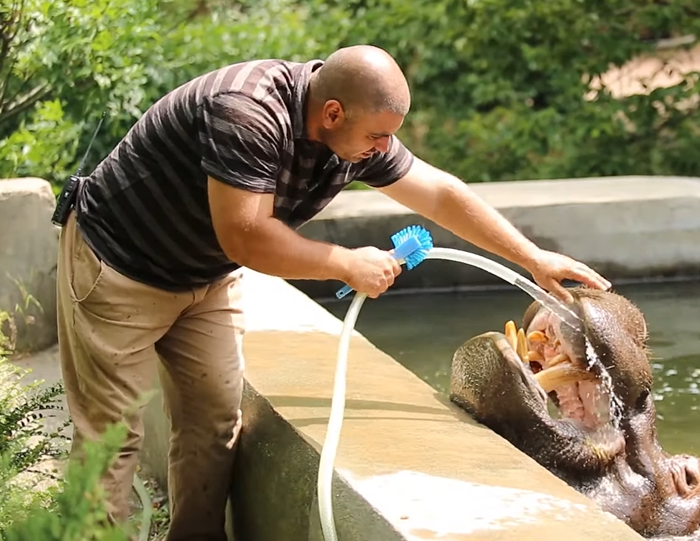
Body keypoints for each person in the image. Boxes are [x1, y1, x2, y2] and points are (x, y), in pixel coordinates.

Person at [55, 44, 611, 541]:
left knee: (214, 425)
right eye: (376, 136)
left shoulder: (357, 140)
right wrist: (345, 263)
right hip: (119, 267)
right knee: (111, 438)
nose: (383, 149)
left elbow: (439, 195)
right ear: (332, 113)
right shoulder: (246, 112)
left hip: (203, 276)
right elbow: (246, 235)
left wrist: (532, 258)